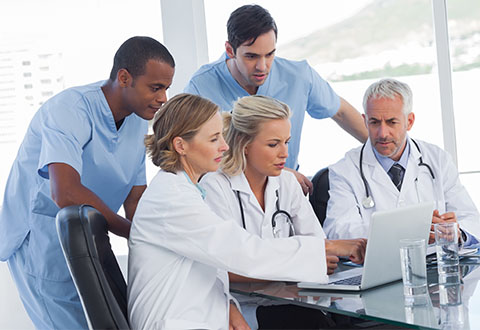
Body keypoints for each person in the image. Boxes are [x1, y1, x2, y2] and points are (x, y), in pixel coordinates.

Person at [127, 93, 356, 330]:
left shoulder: (184, 190)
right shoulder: (171, 198)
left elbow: (210, 268)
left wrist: (230, 307)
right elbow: (243, 252)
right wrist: (329, 247)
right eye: (214, 139)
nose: (225, 146)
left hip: (200, 316)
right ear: (181, 145)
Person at [0, 36, 175, 329]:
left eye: (166, 89)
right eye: (155, 88)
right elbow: (65, 192)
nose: (163, 99)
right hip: (43, 241)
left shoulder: (136, 119)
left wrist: (156, 244)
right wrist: (131, 232)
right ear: (124, 77)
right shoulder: (70, 109)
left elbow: (135, 197)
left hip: (90, 239)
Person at [200, 95, 367, 329]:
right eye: (273, 144)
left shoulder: (287, 183)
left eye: (287, 142)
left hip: (293, 301)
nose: (284, 154)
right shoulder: (215, 186)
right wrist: (300, 262)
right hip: (240, 307)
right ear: (244, 144)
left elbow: (317, 250)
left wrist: (305, 260)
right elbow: (224, 269)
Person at [184, 4, 368, 194]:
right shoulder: (200, 86)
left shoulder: (299, 76)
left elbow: (341, 112)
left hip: (286, 193)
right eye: (251, 56)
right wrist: (279, 172)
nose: (262, 67)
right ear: (230, 50)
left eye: (269, 54)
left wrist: (391, 153)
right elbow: (191, 154)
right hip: (223, 193)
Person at [323, 78, 480, 245]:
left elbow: (471, 219)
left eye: (392, 122)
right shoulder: (344, 170)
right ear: (365, 121)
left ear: (409, 121)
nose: (382, 133)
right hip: (379, 268)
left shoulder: (438, 160)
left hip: (435, 264)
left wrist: (456, 232)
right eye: (374, 122)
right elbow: (337, 232)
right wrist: (410, 230)